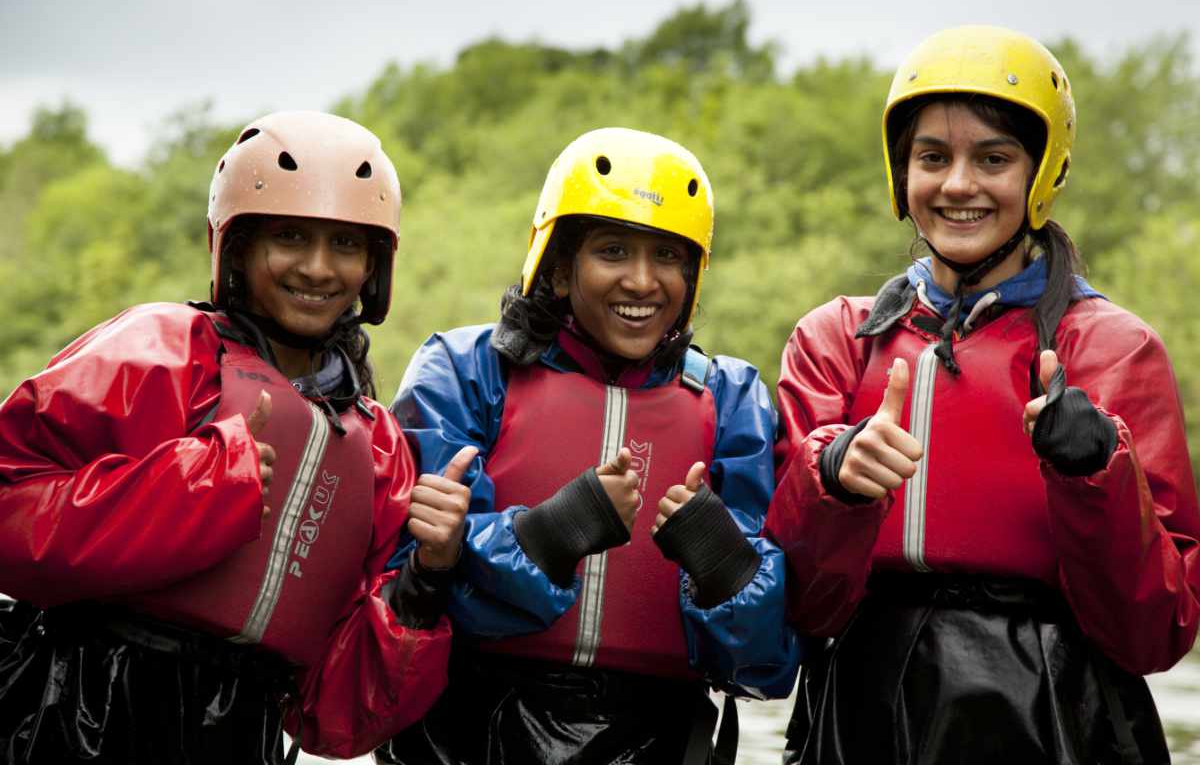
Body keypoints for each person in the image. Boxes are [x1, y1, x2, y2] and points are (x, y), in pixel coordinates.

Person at [764, 25, 1200, 764]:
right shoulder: (835, 340)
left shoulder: (1113, 350)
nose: (958, 184)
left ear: (1040, 173)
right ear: (902, 173)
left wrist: (1097, 473)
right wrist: (832, 482)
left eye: (992, 158)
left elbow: (1155, 633)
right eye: (932, 157)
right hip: (865, 710)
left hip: (1058, 711)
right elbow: (799, 609)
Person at [0, 111, 468, 764]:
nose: (316, 267)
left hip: (243, 734)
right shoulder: (157, 354)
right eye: (289, 237)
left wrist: (425, 577)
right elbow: (8, 509)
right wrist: (195, 486)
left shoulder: (379, 448)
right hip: (76, 709)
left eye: (345, 244)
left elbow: (337, 720)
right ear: (238, 248)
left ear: (374, 265)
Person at [376, 127, 805, 765]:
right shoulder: (463, 371)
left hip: (662, 735)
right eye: (612, 251)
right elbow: (412, 590)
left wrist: (724, 565)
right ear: (556, 265)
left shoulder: (734, 398)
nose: (642, 281)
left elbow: (764, 667)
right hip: (469, 729)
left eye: (668, 256)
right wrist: (553, 532)